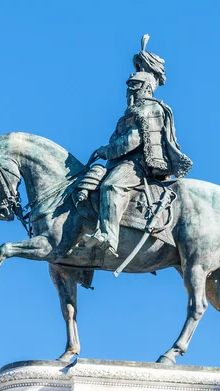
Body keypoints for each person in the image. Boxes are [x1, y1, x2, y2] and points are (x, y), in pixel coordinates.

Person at [83, 35, 192, 256]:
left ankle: (108, 237)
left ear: (145, 87)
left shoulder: (149, 108)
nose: (129, 92)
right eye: (129, 88)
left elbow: (133, 140)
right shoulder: (133, 110)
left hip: (137, 164)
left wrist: (106, 150)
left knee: (111, 186)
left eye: (134, 87)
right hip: (122, 161)